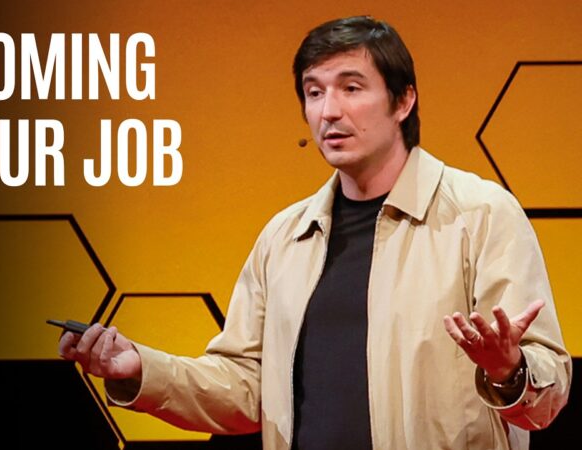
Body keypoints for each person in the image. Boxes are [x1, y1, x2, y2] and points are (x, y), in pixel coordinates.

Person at [59, 15, 571, 450]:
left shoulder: (480, 214)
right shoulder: (285, 237)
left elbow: (547, 395)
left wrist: (509, 370)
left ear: (403, 101)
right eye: (314, 92)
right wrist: (140, 369)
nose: (329, 111)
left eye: (351, 88)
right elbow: (245, 388)